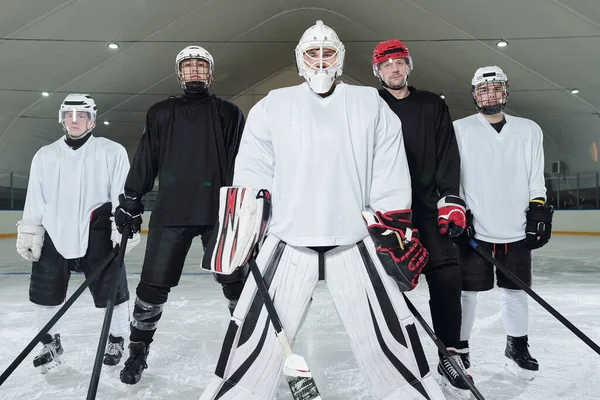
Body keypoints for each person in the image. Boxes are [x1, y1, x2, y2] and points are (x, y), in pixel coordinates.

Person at [198, 21, 445, 400]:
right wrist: (244, 230)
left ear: (339, 58)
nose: (320, 60)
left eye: (327, 52)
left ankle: (407, 390)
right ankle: (238, 390)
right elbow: (252, 170)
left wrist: (392, 227)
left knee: (388, 331)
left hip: (355, 238)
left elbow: (389, 167)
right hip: (288, 238)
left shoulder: (369, 103)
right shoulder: (273, 105)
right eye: (312, 53)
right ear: (300, 60)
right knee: (253, 333)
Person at [114, 45, 246, 385]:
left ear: (211, 73)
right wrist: (131, 198)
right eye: (189, 67)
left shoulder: (228, 113)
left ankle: (249, 343)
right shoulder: (161, 112)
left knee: (235, 281)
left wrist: (249, 204)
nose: (195, 72)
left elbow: (242, 161)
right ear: (179, 73)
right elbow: (147, 158)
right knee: (153, 285)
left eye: (201, 67)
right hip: (171, 211)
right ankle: (138, 350)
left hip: (219, 212)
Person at [372, 39, 471, 396]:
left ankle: (452, 356)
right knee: (388, 289)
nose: (394, 70)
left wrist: (450, 198)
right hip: (390, 216)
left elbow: (448, 152)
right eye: (387, 65)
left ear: (408, 66)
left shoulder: (432, 104)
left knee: (446, 279)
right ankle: (397, 358)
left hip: (429, 210)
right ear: (378, 72)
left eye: (399, 63)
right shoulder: (371, 106)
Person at [17, 94, 137, 373]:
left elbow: (121, 192)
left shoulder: (111, 151)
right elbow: (35, 197)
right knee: (45, 294)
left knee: (113, 294)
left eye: (80, 116)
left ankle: (116, 339)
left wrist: (121, 227)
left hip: (97, 232)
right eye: (68, 115)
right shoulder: (45, 155)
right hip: (54, 234)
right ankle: (50, 342)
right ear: (61, 119)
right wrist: (31, 230)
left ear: (92, 120)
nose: (74, 121)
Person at [453, 65, 553, 380]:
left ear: (505, 92)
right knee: (467, 292)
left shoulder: (529, 129)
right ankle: (460, 347)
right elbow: (453, 176)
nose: (490, 94)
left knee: (515, 290)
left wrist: (538, 209)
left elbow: (536, 175)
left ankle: (517, 346)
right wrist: (457, 211)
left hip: (516, 226)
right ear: (474, 95)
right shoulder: (460, 129)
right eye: (483, 90)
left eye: (496, 89)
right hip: (476, 229)